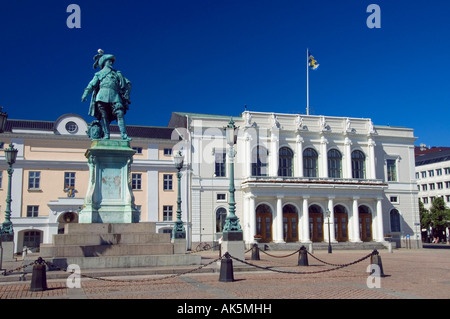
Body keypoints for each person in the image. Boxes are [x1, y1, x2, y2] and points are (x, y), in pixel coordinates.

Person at [82, 49, 132, 140]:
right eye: (109, 61)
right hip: (102, 96)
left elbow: (128, 83)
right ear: (104, 62)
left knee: (120, 113)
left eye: (111, 61)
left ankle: (124, 135)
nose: (111, 63)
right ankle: (106, 135)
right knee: (104, 116)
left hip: (115, 96)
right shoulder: (99, 74)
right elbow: (92, 84)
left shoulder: (117, 73)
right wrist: (85, 94)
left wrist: (127, 94)